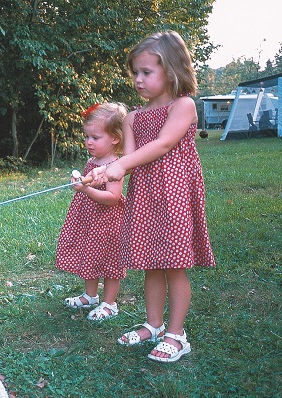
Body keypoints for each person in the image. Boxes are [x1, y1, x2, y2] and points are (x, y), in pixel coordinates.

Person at [90, 31, 216, 362]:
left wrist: (123, 164)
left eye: (146, 72)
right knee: (151, 264)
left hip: (174, 195)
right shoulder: (132, 117)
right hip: (145, 196)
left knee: (174, 264)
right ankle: (154, 325)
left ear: (172, 69)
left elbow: (162, 144)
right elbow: (127, 161)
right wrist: (103, 172)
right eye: (135, 73)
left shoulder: (183, 106)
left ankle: (177, 335)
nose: (138, 79)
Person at [56, 102, 127, 321]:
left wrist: (86, 189)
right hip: (90, 221)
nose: (88, 142)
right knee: (90, 255)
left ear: (115, 138)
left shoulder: (116, 164)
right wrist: (81, 182)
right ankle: (90, 296)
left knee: (109, 261)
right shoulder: (92, 162)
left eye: (95, 138)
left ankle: (109, 304)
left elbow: (112, 198)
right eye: (87, 137)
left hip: (108, 223)